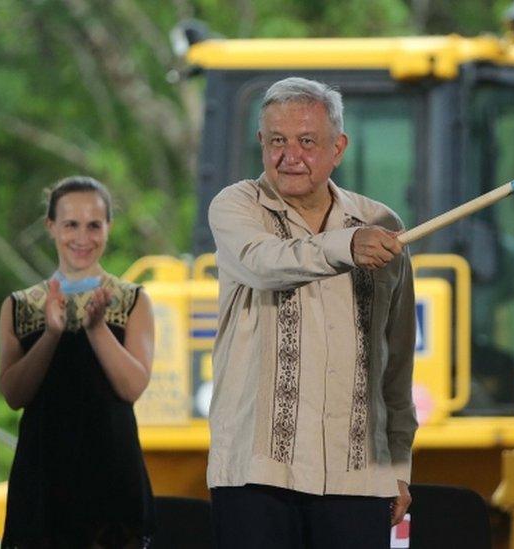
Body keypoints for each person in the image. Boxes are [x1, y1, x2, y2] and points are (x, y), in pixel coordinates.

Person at [206, 77, 417, 548]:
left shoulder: (382, 225)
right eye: (277, 141)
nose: (289, 156)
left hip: (358, 476)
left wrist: (399, 464)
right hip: (255, 471)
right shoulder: (237, 206)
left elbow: (397, 360)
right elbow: (264, 263)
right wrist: (346, 245)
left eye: (306, 141)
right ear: (261, 142)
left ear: (338, 147)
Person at [0, 176, 155, 547]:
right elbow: (13, 394)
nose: (82, 237)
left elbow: (132, 386)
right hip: (42, 479)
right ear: (50, 227)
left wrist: (97, 328)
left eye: (93, 225)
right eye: (71, 224)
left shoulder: (133, 301)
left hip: (112, 478)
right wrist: (51, 334)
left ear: (108, 229)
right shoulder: (19, 306)